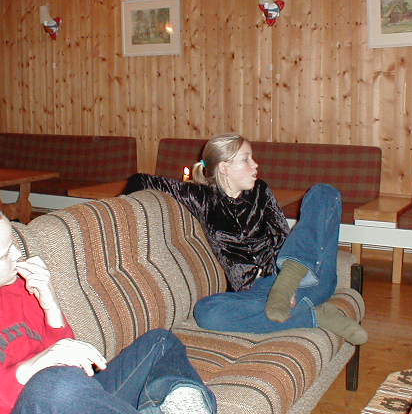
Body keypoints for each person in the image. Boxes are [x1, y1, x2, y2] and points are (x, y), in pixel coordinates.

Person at [0, 198, 216, 414]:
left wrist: (50, 306)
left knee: (160, 342)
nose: (18, 254)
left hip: (69, 398)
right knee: (55, 385)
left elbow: (71, 361)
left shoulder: (14, 287)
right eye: (4, 253)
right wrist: (27, 370)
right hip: (42, 400)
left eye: (13, 244)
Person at [124, 134, 367, 345]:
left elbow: (281, 235)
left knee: (324, 192)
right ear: (224, 167)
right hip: (257, 295)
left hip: (307, 278)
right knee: (207, 311)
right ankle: (315, 315)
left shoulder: (261, 191)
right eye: (246, 159)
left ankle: (287, 286)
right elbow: (139, 180)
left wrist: (287, 284)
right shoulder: (202, 198)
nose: (255, 165)